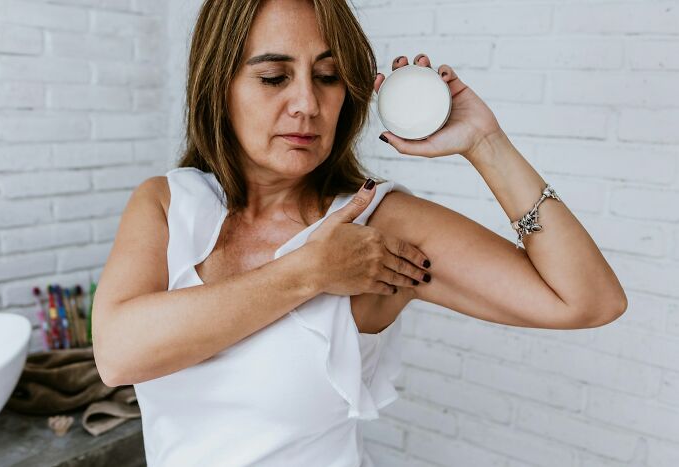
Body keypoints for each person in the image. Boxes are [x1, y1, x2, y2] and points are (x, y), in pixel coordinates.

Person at [92, 0, 628, 465]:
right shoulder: (167, 203)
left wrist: (485, 144)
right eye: (274, 76)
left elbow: (586, 301)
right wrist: (307, 272)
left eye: (327, 77)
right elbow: (117, 355)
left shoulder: (380, 227)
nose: (307, 103)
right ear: (219, 85)